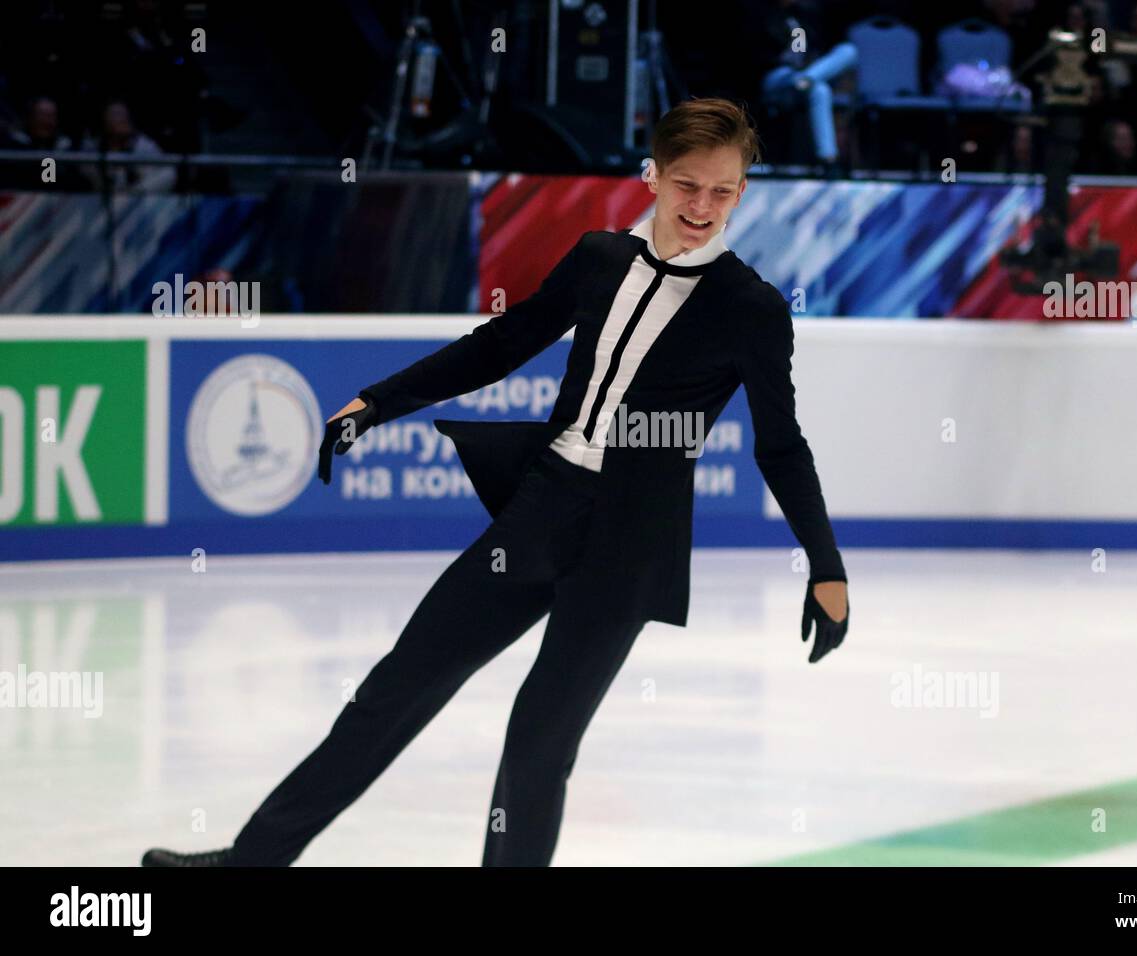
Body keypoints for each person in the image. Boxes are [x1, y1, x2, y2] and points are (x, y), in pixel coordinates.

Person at [141, 97, 849, 868]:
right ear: (654, 177)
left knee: (538, 742)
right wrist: (380, 401)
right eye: (688, 185)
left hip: (626, 546)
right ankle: (253, 862)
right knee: (394, 689)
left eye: (722, 190)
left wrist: (826, 565)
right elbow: (501, 345)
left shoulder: (752, 310)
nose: (703, 206)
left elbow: (781, 446)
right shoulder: (599, 258)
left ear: (742, 191)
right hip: (542, 512)